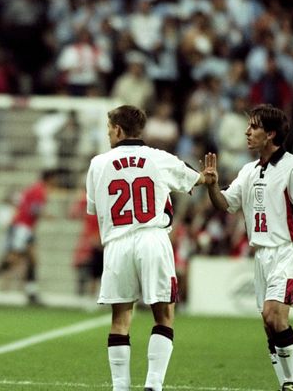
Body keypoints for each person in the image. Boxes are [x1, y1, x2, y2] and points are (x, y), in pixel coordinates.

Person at [202, 104, 293, 391]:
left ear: (270, 134)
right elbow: (226, 204)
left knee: (274, 314)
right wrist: (212, 185)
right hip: (263, 255)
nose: (247, 132)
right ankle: (288, 385)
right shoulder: (249, 171)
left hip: (290, 249)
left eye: (254, 127)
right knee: (268, 322)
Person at [85, 105, 206, 391]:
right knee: (163, 314)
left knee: (120, 317)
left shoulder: (98, 163)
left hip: (116, 242)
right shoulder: (158, 158)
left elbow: (94, 208)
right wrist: (206, 177)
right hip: (153, 238)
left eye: (109, 129)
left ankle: (120, 387)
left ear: (117, 129)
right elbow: (195, 178)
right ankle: (153, 385)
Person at [0, 169, 62, 305]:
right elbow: (34, 209)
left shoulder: (35, 188)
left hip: (24, 228)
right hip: (22, 228)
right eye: (55, 178)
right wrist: (47, 215)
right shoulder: (39, 190)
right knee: (14, 258)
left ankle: (31, 292)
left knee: (32, 258)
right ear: (50, 178)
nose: (57, 181)